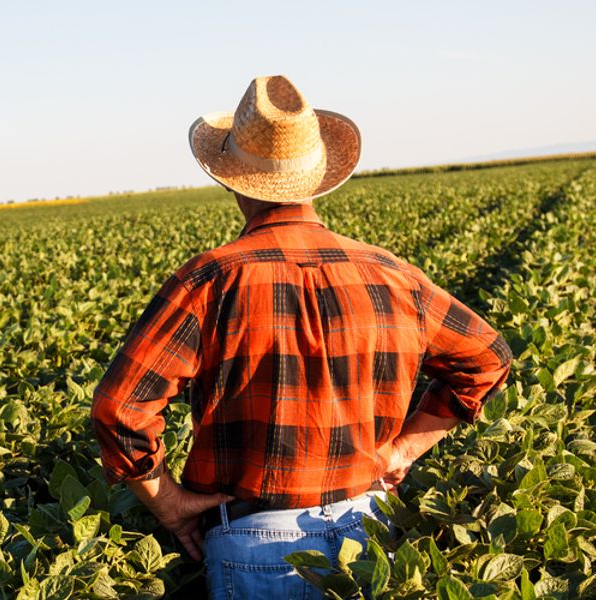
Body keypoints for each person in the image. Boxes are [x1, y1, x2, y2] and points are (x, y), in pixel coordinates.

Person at [90, 75, 512, 598]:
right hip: (371, 529)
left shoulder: (211, 279)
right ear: (317, 177)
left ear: (234, 182)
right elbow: (488, 357)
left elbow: (119, 407)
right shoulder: (391, 273)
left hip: (255, 542)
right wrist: (403, 449)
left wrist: (169, 503)